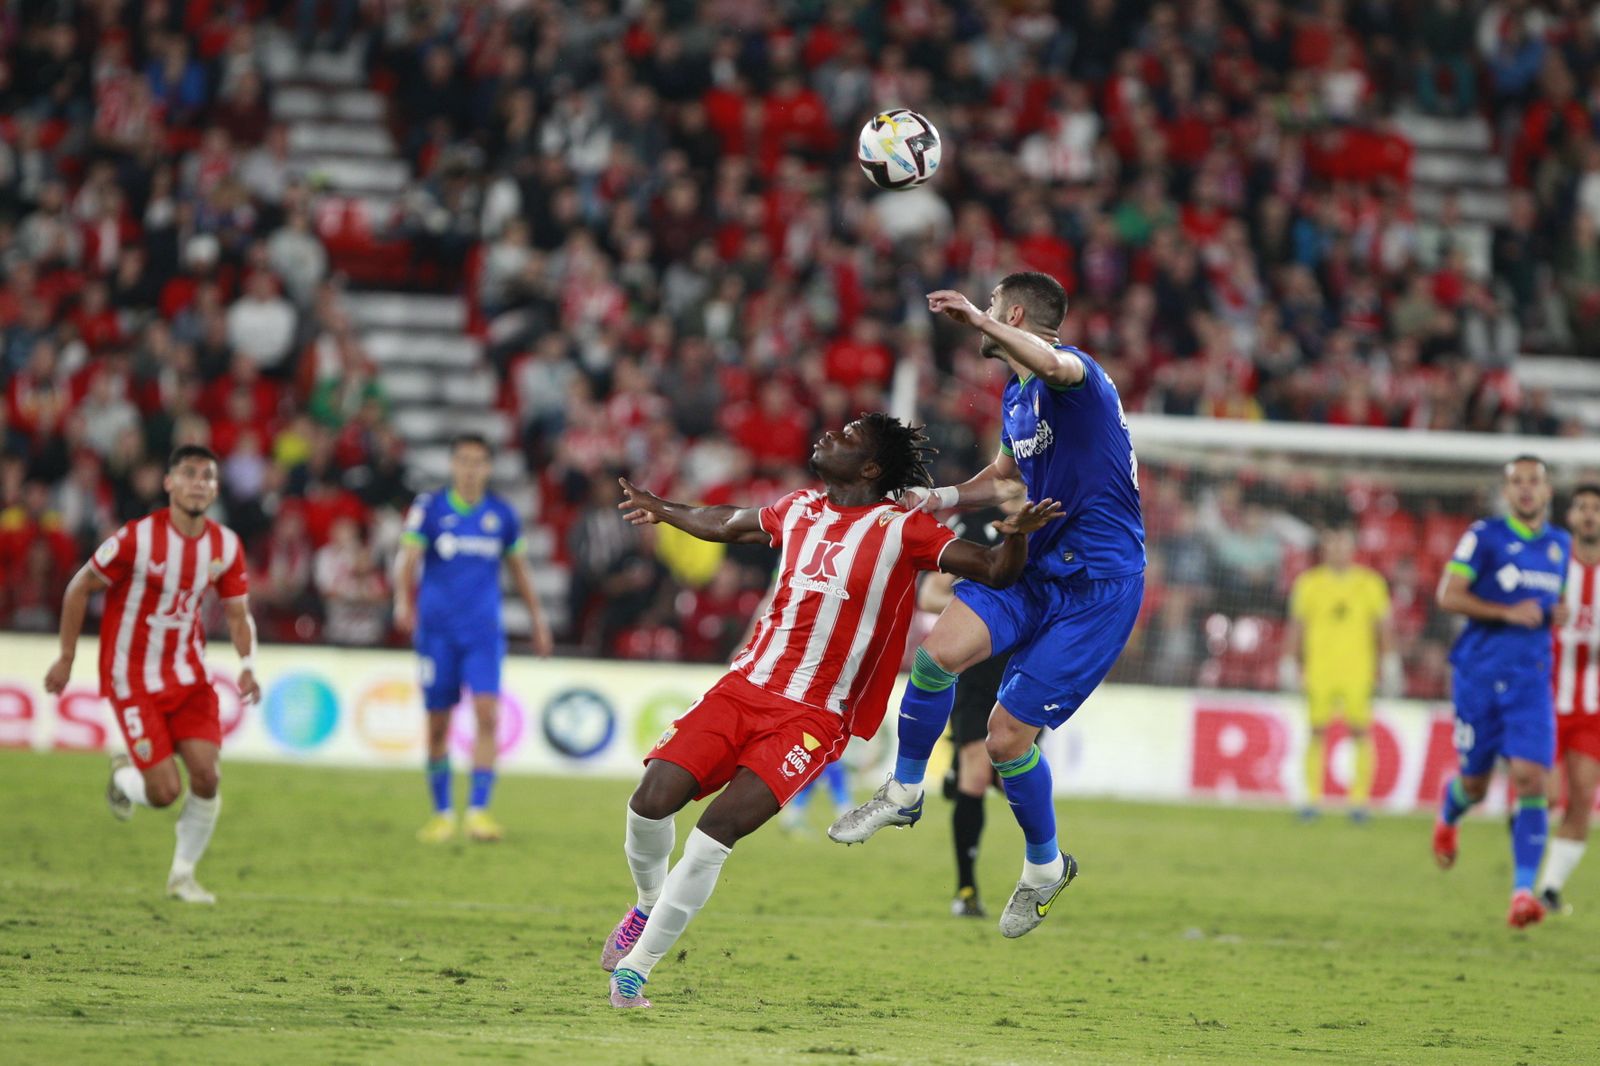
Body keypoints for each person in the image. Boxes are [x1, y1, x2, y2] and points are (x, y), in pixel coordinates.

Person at [600, 414, 1063, 1008]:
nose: (826, 437)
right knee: (648, 802)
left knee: (717, 831)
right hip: (743, 688)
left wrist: (1017, 534)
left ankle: (637, 969)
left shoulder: (904, 529)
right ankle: (645, 905)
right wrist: (662, 507)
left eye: (845, 438)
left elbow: (997, 570)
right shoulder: (797, 509)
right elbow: (726, 523)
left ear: (870, 467)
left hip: (814, 717)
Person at [828, 272, 1146, 940]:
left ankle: (1043, 869)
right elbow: (1003, 476)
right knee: (936, 656)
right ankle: (905, 791)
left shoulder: (1076, 376)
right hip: (1035, 561)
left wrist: (976, 319)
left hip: (1097, 586)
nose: (988, 317)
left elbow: (1050, 358)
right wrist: (938, 498)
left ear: (1017, 312)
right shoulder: (1015, 397)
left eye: (997, 306)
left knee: (1005, 739)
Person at [42, 444, 261, 904]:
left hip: (188, 678)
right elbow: (79, 587)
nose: (199, 482)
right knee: (164, 792)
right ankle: (124, 775)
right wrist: (66, 657)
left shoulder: (225, 545)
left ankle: (183, 876)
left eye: (207, 475)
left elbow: (238, 614)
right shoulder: (136, 539)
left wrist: (246, 665)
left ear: (216, 487)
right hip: (132, 680)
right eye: (189, 473)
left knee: (207, 777)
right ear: (169, 483)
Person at [393, 433, 554, 844]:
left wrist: (538, 619)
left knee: (487, 716)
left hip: (483, 635)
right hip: (437, 634)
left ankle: (479, 811)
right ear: (452, 465)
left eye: (477, 461)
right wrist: (402, 601)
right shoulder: (429, 508)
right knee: (437, 725)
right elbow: (407, 559)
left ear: (488, 467)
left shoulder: (501, 515)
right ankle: (442, 813)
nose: (469, 468)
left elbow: (519, 570)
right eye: (462, 460)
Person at [1432, 456, 1571, 928]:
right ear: (1506, 492)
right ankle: (1449, 817)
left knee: (1532, 779)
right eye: (1518, 483)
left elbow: (1558, 604)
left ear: (1548, 492)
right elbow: (1448, 595)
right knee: (1474, 783)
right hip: (1478, 676)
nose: (1527, 490)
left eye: (1535, 482)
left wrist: (1561, 613)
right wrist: (1505, 613)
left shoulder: (1561, 547)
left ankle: (1521, 894)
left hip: (1531, 681)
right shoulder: (1484, 536)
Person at [917, 504, 1016, 918]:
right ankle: (966, 889)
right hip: (976, 669)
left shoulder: (1051, 521)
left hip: (1022, 669)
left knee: (1005, 778)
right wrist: (985, 612)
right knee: (978, 774)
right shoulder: (972, 525)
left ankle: (962, 770)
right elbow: (928, 594)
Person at [1281, 526, 1398, 823]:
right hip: (1319, 669)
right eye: (1332, 545)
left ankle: (1358, 803)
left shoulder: (1370, 583)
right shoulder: (1308, 583)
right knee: (1316, 731)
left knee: (1360, 732)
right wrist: (1288, 660)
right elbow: (1297, 626)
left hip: (1358, 669)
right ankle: (1312, 800)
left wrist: (1390, 662)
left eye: (1343, 545)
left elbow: (1382, 627)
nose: (1337, 551)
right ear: (1324, 549)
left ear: (1352, 548)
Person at [1537, 483, 1600, 914]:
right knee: (1542, 794)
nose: (1590, 515)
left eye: (1598, 508)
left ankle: (1549, 888)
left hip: (1593, 708)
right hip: (1544, 699)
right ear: (1571, 516)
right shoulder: (1551, 566)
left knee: (1580, 798)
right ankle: (1525, 872)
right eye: (1583, 508)